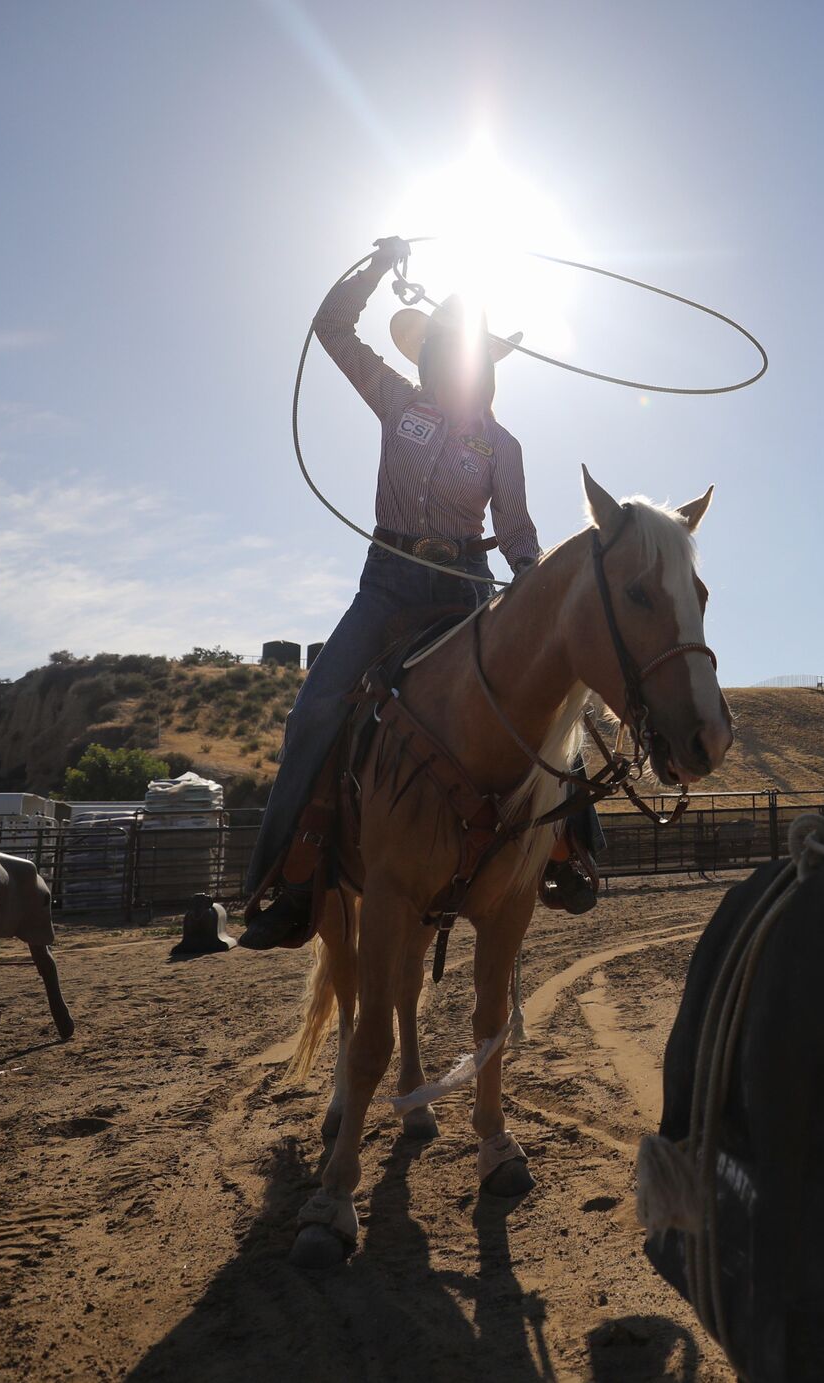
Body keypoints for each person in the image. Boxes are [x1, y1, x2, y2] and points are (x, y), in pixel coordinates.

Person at [240, 236, 542, 949]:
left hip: (466, 586)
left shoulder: (501, 445)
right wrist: (376, 268)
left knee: (535, 700)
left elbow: (518, 527)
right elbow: (332, 328)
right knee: (313, 710)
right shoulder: (395, 399)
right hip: (387, 581)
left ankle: (567, 851)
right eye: (445, 348)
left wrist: (527, 575)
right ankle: (287, 878)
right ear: (430, 355)